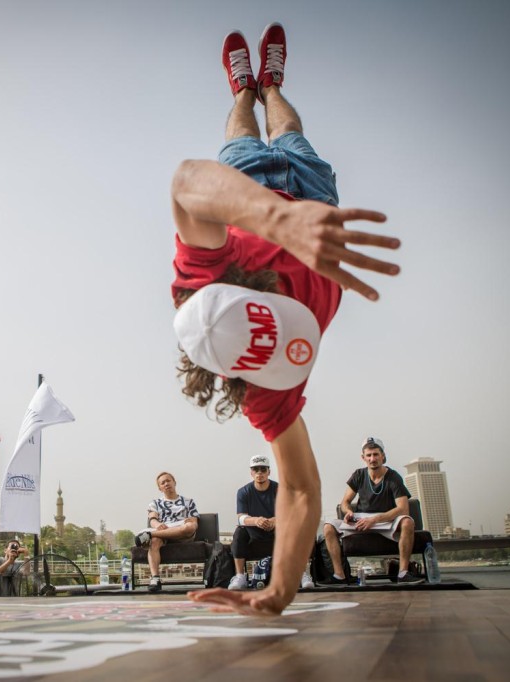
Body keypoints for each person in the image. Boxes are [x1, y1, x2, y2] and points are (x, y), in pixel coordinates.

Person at [171, 23, 399, 616]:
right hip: (316, 198)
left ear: (242, 295)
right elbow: (299, 487)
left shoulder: (201, 286)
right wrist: (279, 590)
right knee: (292, 133)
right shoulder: (265, 391)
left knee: (243, 134)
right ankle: (277, 85)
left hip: (242, 191)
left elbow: (189, 182)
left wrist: (275, 219)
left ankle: (250, 88)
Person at [320, 437, 422, 584]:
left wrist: (374, 519)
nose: (372, 459)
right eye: (369, 455)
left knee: (407, 522)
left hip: (385, 521)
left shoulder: (393, 477)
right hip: (361, 520)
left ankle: (403, 573)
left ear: (383, 456)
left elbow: (403, 509)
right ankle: (339, 575)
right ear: (363, 458)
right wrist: (348, 512)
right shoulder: (358, 475)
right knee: (328, 527)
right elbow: (345, 502)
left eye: (375, 454)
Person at [133, 472, 200, 593]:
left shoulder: (189, 502)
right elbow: (152, 519)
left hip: (182, 533)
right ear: (160, 488)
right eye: (162, 483)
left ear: (174, 482)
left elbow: (194, 523)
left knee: (189, 527)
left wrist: (189, 523)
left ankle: (151, 535)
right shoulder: (155, 503)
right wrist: (158, 525)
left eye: (168, 480)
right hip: (163, 531)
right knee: (154, 541)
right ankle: (155, 578)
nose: (166, 484)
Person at [228, 454, 278, 590]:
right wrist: (257, 520)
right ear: (251, 472)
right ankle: (240, 576)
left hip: (277, 531)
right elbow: (241, 517)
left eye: (263, 469)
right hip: (254, 533)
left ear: (269, 471)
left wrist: (274, 520)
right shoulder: (243, 492)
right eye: (256, 470)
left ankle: (301, 573)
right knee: (239, 531)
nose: (259, 473)